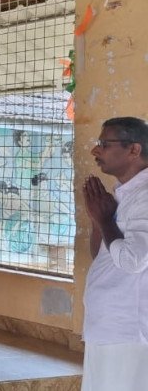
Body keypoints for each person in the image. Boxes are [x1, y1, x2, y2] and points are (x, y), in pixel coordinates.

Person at [81, 117, 148, 391]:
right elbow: (102, 257)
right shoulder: (124, 192)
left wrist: (105, 220)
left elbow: (133, 260)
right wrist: (98, 221)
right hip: (107, 325)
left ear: (134, 149)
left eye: (104, 144)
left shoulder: (145, 196)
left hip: (128, 329)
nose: (95, 151)